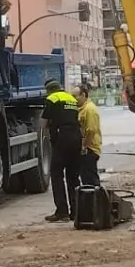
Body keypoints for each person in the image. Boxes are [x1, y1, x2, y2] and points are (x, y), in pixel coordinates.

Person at [42, 79, 84, 222]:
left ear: (49, 90)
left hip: (62, 139)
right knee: (73, 176)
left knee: (57, 174)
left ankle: (62, 212)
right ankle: (76, 211)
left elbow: (44, 123)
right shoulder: (71, 98)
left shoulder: (51, 98)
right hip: (76, 138)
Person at [77, 80, 103, 187]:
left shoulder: (89, 109)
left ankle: (96, 202)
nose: (73, 99)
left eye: (75, 96)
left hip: (90, 149)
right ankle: (91, 201)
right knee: (86, 178)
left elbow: (91, 130)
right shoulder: (82, 108)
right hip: (87, 149)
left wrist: (84, 147)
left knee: (91, 180)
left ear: (83, 95)